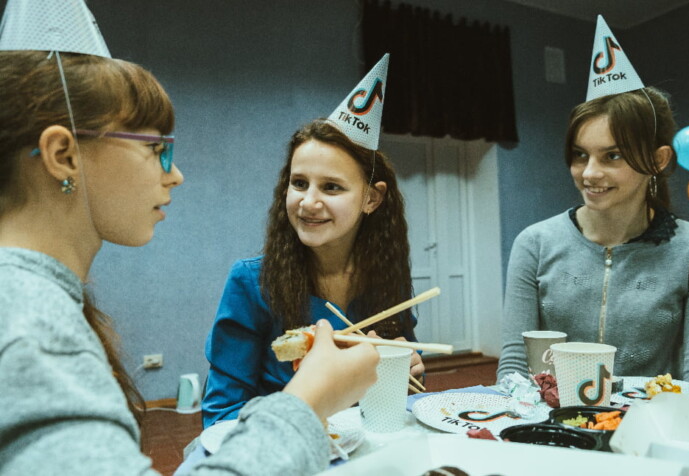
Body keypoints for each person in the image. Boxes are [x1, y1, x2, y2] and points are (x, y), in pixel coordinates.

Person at [0, 50, 379, 475]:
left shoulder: (32, 305)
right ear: (63, 155)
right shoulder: (30, 321)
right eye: (158, 148)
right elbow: (224, 409)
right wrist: (309, 400)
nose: (176, 173)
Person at [202, 118, 424, 427]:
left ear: (371, 198)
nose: (308, 202)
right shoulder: (251, 283)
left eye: (331, 187)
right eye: (299, 183)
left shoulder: (388, 278)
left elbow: (397, 394)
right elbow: (220, 416)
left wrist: (404, 371)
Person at [497, 86, 689, 387]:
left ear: (658, 160)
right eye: (580, 155)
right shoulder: (535, 243)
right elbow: (514, 367)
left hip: (652, 426)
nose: (589, 173)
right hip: (551, 427)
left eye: (612, 156)